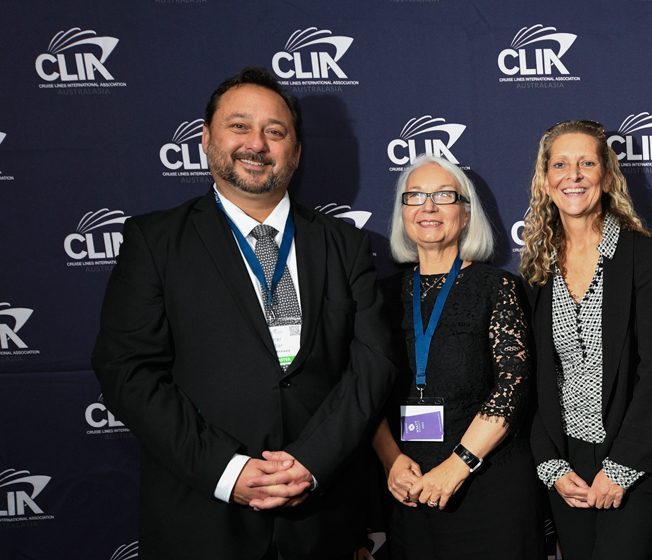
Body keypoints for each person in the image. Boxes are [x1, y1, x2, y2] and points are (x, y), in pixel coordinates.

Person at [91, 67, 396, 560]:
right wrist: (228, 471)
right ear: (206, 138)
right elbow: (127, 371)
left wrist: (311, 462)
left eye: (275, 131)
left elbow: (372, 365)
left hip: (323, 519)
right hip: (202, 520)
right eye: (239, 126)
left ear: (296, 151)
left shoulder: (346, 245)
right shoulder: (155, 242)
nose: (256, 144)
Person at [520, 120, 652, 559]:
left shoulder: (641, 255)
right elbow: (533, 380)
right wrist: (550, 464)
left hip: (639, 461)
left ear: (607, 176)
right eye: (560, 165)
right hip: (567, 468)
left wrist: (623, 465)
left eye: (587, 164)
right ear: (546, 180)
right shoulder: (538, 267)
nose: (573, 175)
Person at [370, 155, 544, 559]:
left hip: (488, 487)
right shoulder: (379, 295)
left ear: (466, 214)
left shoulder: (497, 286)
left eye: (444, 196)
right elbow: (364, 388)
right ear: (402, 212)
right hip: (409, 488)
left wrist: (458, 465)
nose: (428, 206)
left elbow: (512, 387)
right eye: (415, 196)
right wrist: (391, 461)